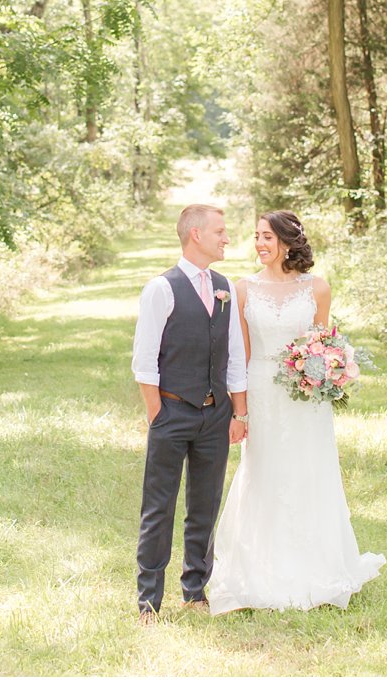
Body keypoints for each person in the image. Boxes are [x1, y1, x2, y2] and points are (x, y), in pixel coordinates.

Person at [206, 209, 384, 614]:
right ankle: (260, 567)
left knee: (309, 471)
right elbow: (241, 355)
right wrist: (241, 411)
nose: (259, 244)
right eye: (256, 237)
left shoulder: (317, 289)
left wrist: (328, 371)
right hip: (264, 392)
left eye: (267, 237)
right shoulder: (244, 289)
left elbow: (326, 342)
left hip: (307, 400)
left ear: (288, 241)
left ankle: (317, 566)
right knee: (265, 471)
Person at [131, 204, 249, 624]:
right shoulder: (161, 289)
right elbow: (144, 362)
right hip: (173, 413)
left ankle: (195, 590)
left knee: (205, 504)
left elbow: (234, 356)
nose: (227, 238)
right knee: (158, 506)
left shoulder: (225, 288)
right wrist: (158, 414)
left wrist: (239, 413)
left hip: (216, 417)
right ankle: (148, 599)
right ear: (195, 235)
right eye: (220, 231)